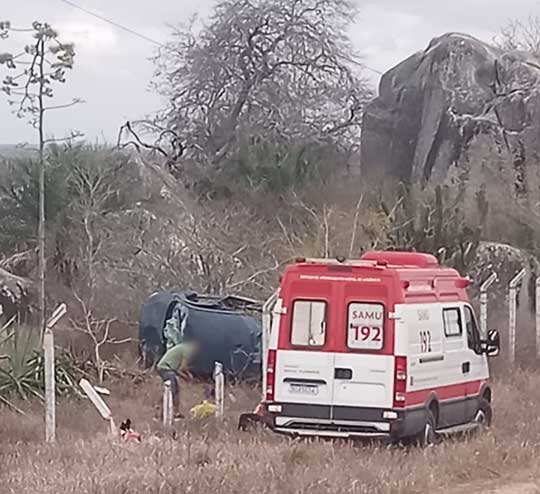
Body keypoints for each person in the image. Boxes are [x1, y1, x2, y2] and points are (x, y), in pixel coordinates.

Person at [156, 340, 198, 419]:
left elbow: (177, 369)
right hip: (165, 368)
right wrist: (189, 377)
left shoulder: (184, 346)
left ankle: (175, 412)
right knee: (171, 390)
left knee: (175, 390)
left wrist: (186, 377)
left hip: (168, 368)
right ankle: (161, 413)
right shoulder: (188, 350)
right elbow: (182, 368)